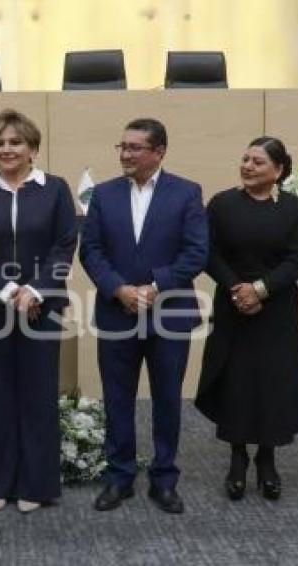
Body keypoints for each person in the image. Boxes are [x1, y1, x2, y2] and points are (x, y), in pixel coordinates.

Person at [80, 118, 208, 514]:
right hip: (116, 311)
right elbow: (91, 252)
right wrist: (119, 289)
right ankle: (119, 478)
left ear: (159, 151)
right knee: (117, 400)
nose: (125, 154)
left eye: (134, 147)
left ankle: (164, 479)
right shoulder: (102, 194)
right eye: (122, 147)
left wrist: (155, 286)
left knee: (168, 400)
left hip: (168, 314)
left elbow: (196, 252)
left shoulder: (186, 193)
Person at [0, 109, 77, 513]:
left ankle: (35, 485)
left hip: (41, 309)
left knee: (37, 394)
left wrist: (36, 290)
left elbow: (64, 245)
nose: (6, 149)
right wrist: (11, 290)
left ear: (33, 148)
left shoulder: (55, 189)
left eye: (15, 142)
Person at [197, 137, 298, 501]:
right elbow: (209, 253)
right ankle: (236, 458)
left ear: (278, 170)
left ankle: (266, 458)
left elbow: (297, 260)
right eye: (245, 159)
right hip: (233, 306)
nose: (247, 166)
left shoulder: (296, 210)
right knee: (235, 382)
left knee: (271, 384)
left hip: (275, 310)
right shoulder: (222, 204)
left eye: (257, 162)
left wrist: (261, 289)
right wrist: (238, 289)